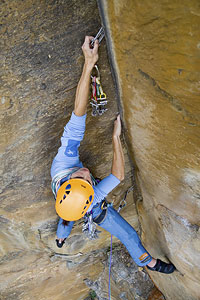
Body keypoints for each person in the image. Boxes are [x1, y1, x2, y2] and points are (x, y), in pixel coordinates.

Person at [51, 36, 175, 274]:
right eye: (88, 180)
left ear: (67, 180)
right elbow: (117, 176)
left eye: (80, 176)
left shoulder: (63, 162)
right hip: (89, 207)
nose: (87, 172)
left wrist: (89, 64)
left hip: (70, 202)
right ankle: (148, 262)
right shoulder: (92, 198)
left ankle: (61, 239)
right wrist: (115, 138)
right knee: (126, 232)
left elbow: (78, 114)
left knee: (65, 215)